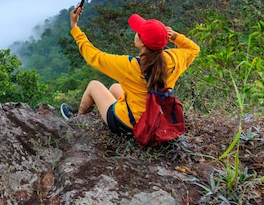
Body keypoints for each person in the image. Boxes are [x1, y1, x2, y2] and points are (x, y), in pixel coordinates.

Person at [60, 7, 200, 136]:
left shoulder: (130, 66)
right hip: (156, 121)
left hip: (129, 125)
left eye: (138, 32)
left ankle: (76, 120)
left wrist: (74, 27)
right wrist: (175, 36)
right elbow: (194, 49)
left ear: (142, 42)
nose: (135, 33)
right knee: (115, 87)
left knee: (94, 85)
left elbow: (93, 56)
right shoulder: (173, 59)